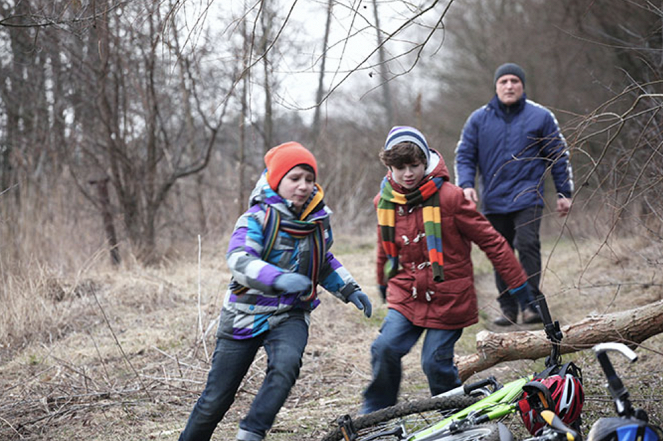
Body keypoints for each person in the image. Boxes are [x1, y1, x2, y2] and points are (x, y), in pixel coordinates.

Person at [179, 142, 373, 441]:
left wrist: (349, 289)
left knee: (286, 366)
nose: (303, 186)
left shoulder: (318, 221)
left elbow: (323, 261)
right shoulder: (255, 219)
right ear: (276, 180)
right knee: (215, 400)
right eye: (294, 178)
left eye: (309, 179)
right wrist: (278, 278)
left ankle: (252, 431)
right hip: (244, 315)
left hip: (290, 315)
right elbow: (239, 260)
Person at [361, 126, 535, 414]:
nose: (407, 174)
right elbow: (384, 245)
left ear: (424, 161)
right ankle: (376, 410)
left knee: (433, 362)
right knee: (384, 348)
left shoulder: (450, 198)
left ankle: (455, 414)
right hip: (407, 293)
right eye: (399, 167)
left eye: (414, 165)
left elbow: (491, 240)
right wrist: (383, 280)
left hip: (449, 297)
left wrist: (517, 284)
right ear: (389, 168)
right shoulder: (386, 202)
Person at [454, 62, 574, 326]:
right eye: (504, 81)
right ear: (496, 86)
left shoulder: (540, 117)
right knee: (500, 249)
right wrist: (466, 185)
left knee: (528, 243)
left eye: (514, 81)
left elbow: (558, 156)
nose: (509, 86)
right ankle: (508, 307)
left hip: (528, 196)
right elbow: (464, 155)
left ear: (522, 86)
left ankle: (531, 305)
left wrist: (564, 192)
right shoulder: (478, 119)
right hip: (493, 199)